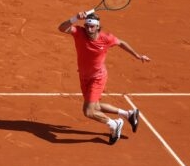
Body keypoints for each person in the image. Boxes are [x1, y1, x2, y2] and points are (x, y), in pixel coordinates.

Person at [58, 12, 151, 145]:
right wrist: (75, 18)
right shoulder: (79, 32)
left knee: (88, 111)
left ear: (97, 27)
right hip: (84, 76)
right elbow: (61, 28)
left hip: (98, 77)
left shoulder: (106, 38)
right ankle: (128, 114)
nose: (89, 29)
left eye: (92, 27)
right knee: (95, 106)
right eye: (87, 26)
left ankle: (114, 124)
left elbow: (121, 43)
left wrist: (137, 56)